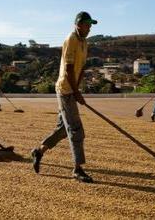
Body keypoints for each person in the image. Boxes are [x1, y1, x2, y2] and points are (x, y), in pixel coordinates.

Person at [31, 11, 98, 183]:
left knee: (63, 130)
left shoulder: (84, 42)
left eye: (90, 25)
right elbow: (68, 69)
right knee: (76, 130)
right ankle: (77, 169)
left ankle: (38, 151)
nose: (89, 28)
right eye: (86, 24)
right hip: (65, 89)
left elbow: (81, 68)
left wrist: (78, 90)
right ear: (77, 24)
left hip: (72, 89)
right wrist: (75, 92)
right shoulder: (71, 39)